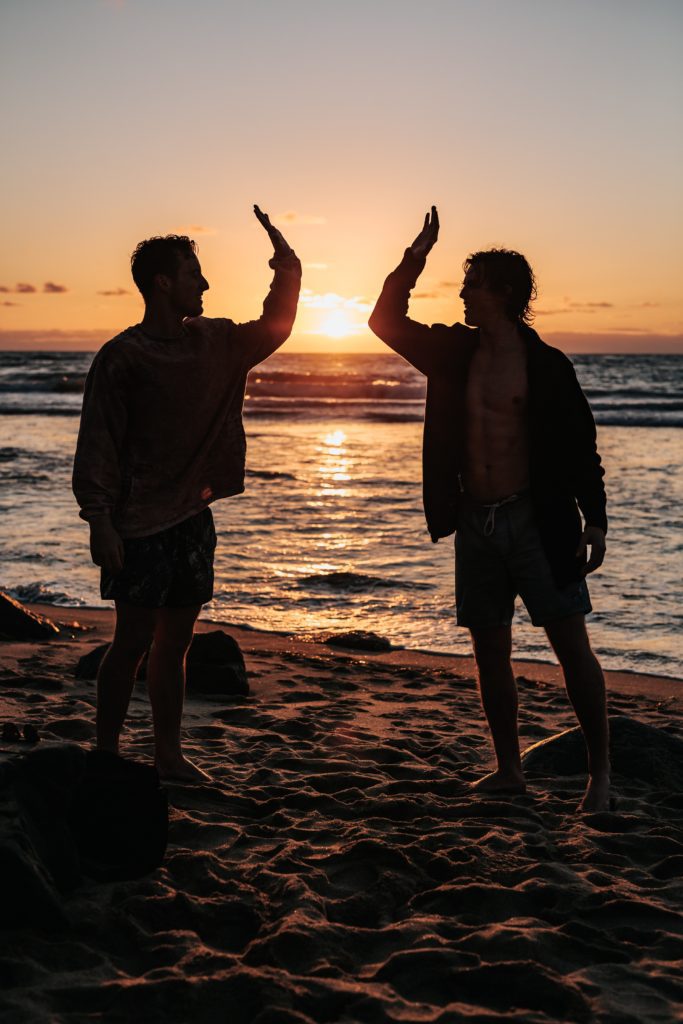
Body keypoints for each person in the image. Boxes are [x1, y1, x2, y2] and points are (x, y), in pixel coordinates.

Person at [368, 208, 610, 812]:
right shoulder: (453, 351)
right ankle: (509, 769)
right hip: (475, 520)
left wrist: (595, 518)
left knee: (570, 645)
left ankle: (599, 778)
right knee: (488, 648)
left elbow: (581, 447)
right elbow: (383, 320)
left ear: (503, 292)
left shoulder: (547, 365)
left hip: (536, 521)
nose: (463, 294)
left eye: (472, 284)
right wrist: (414, 256)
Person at [73, 207, 301, 782]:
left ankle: (168, 756)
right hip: (139, 524)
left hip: (192, 518)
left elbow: (277, 323)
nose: (204, 283)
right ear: (163, 283)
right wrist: (100, 521)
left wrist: (286, 262)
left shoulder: (215, 342)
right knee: (130, 644)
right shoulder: (123, 357)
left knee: (176, 646)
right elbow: (98, 443)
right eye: (194, 273)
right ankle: (107, 752)